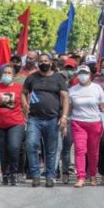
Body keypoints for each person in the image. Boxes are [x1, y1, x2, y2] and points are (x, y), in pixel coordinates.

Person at [22, 53, 69, 188]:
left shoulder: (58, 78)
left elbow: (65, 98)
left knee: (51, 149)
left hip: (52, 119)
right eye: (41, 61)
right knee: (31, 145)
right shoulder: (32, 78)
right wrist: (24, 104)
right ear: (38, 63)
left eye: (46, 61)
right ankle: (35, 175)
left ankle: (50, 176)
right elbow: (23, 93)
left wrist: (64, 116)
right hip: (34, 119)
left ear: (50, 62)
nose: (43, 63)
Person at [69, 65, 104, 188]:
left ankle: (93, 175)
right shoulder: (72, 90)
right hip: (78, 123)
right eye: (80, 73)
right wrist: (63, 118)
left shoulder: (97, 88)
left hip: (95, 123)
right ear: (77, 75)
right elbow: (68, 107)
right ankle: (81, 177)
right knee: (80, 149)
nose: (83, 75)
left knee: (93, 152)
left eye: (85, 73)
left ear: (90, 75)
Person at [0, 65, 25, 186]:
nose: (6, 75)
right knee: (3, 150)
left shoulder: (19, 88)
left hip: (16, 123)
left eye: (9, 73)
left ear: (13, 76)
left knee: (13, 148)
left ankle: (14, 173)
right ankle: (6, 174)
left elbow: (25, 104)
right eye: (4, 73)